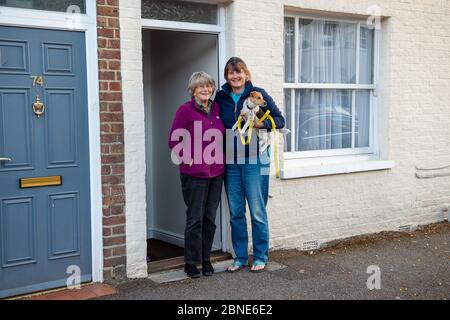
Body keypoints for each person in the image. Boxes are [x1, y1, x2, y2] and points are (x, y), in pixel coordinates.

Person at [215, 57, 285, 273]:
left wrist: (260, 123)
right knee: (236, 212)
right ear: (227, 76)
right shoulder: (221, 96)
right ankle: (240, 257)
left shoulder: (258, 93)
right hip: (231, 162)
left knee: (256, 211)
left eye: (239, 72)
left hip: (257, 159)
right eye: (230, 73)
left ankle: (261, 256)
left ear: (246, 73)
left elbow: (280, 120)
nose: (235, 76)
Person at [168, 72, 225, 278]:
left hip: (216, 173)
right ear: (193, 89)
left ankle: (206, 259)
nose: (206, 90)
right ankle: (191, 262)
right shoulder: (185, 110)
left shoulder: (217, 108)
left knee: (209, 218)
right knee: (195, 220)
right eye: (201, 87)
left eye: (209, 86)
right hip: (194, 174)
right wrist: (189, 158)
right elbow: (174, 140)